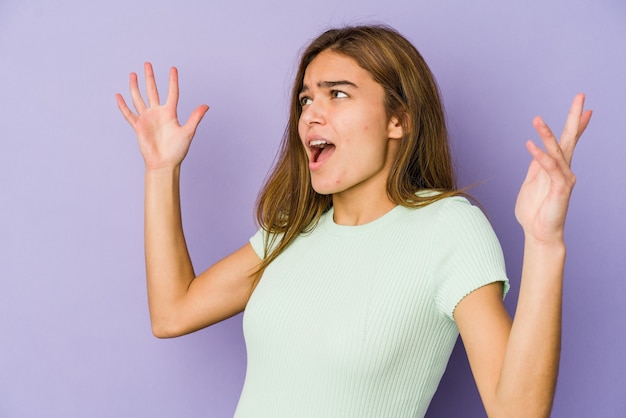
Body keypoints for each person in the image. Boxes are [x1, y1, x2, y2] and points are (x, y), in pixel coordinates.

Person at [116, 25, 591, 418]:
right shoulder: (292, 231)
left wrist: (545, 244)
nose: (310, 115)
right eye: (305, 100)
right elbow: (172, 313)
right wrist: (161, 172)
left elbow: (518, 413)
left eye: (336, 94)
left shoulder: (448, 228)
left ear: (397, 120)